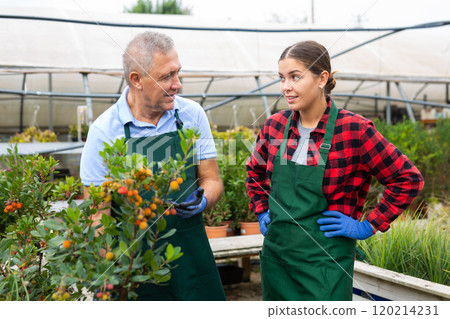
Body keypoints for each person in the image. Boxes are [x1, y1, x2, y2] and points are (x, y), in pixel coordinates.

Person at [246, 40, 424, 301]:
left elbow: (407, 179)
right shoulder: (275, 126)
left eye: (295, 77)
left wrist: (367, 226)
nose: (286, 87)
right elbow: (254, 172)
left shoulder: (354, 130)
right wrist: (261, 208)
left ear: (322, 78)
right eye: (282, 78)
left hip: (325, 266)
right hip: (277, 262)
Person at [80, 31, 226, 301]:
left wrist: (203, 201)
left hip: (190, 257)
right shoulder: (105, 131)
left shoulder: (192, 116)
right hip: (134, 265)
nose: (177, 84)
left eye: (178, 73)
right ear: (136, 79)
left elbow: (212, 179)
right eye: (166, 76)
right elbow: (97, 216)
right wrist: (111, 274)